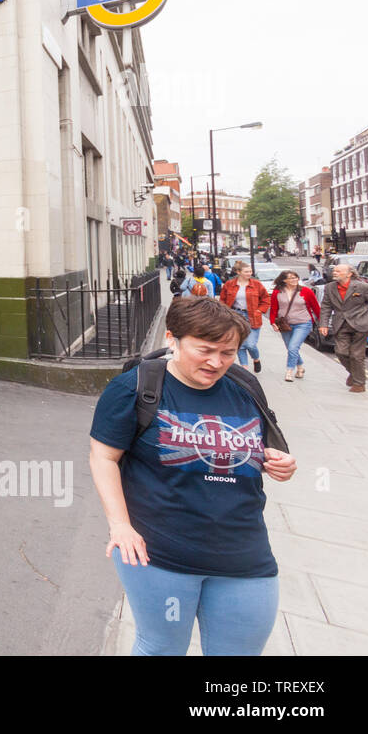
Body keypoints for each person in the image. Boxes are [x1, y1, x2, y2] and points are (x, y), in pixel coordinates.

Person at [89, 297, 297, 655]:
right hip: (159, 553)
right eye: (205, 350)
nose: (216, 362)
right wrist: (119, 525)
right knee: (161, 648)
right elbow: (103, 456)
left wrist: (278, 463)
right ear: (173, 338)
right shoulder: (133, 388)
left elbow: (255, 449)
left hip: (243, 553)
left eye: (228, 353)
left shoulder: (244, 387)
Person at [318, 263, 368, 394]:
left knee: (356, 355)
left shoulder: (363, 287)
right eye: (334, 270)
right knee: (340, 352)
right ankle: (355, 373)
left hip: (361, 324)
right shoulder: (329, 287)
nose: (334, 272)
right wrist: (323, 324)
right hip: (340, 324)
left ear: (349, 274)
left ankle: (359, 384)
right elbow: (326, 306)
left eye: (338, 271)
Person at [269, 270, 320, 383]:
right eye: (291, 278)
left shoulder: (306, 291)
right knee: (291, 348)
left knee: (293, 347)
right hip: (285, 324)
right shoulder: (278, 292)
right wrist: (272, 322)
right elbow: (273, 308)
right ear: (284, 280)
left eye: (295, 277)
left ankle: (289, 371)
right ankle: (300, 366)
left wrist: (322, 324)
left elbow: (316, 307)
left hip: (303, 323)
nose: (294, 280)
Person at [219, 261, 268, 373]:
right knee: (240, 344)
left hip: (252, 316)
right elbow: (222, 300)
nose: (249, 273)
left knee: (250, 344)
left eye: (250, 271)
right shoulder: (229, 284)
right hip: (235, 315)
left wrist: (259, 310)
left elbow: (265, 300)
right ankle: (244, 368)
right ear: (238, 272)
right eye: (246, 271)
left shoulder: (257, 284)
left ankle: (256, 359)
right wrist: (224, 313)